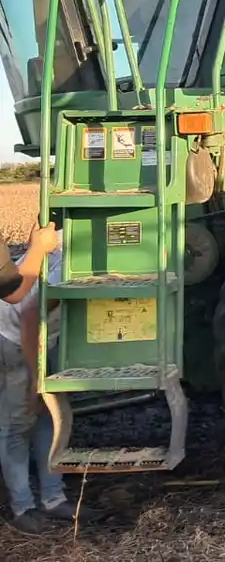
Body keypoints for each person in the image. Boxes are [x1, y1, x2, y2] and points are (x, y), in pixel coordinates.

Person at [0, 223, 102, 534]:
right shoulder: (65, 268)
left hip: (45, 338)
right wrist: (36, 379)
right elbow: (29, 319)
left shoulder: (83, 249)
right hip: (15, 341)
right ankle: (22, 507)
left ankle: (53, 498)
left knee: (49, 416)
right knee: (18, 423)